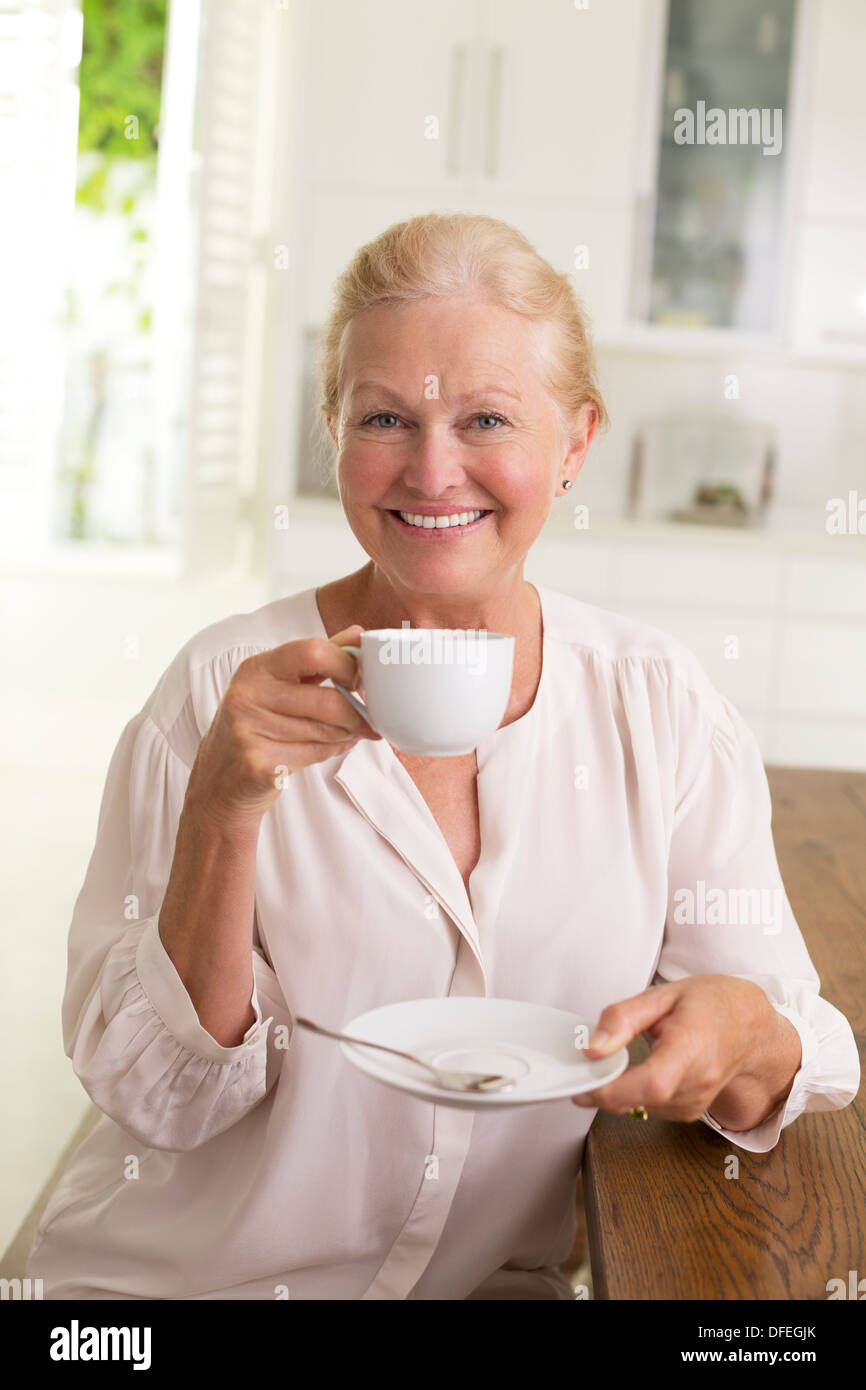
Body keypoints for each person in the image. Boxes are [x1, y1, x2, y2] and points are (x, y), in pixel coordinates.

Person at [27, 213, 859, 1300]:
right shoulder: (215, 695)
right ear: (332, 427)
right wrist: (224, 808)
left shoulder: (655, 706)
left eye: (485, 418)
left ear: (573, 443)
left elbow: (796, 1047)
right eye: (384, 416)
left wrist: (740, 1037)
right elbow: (162, 1102)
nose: (431, 471)